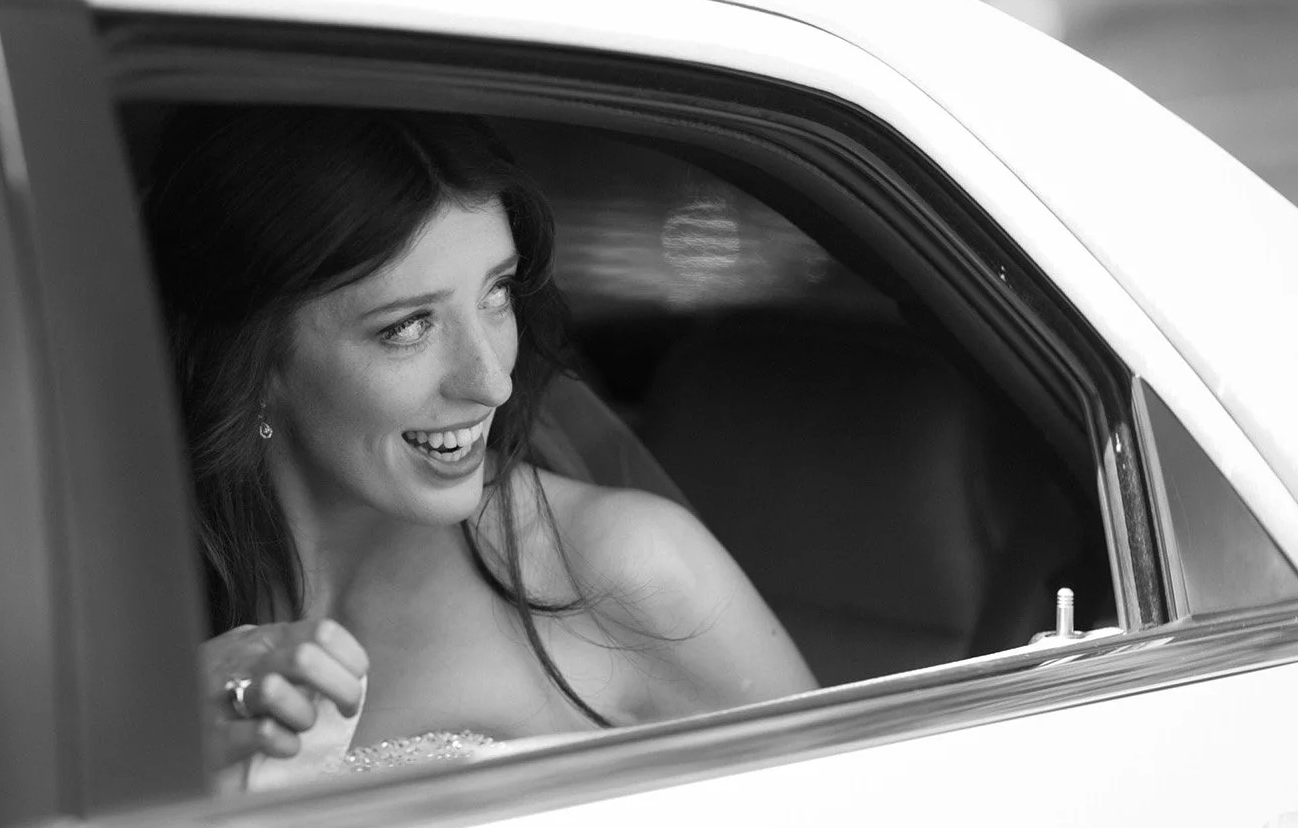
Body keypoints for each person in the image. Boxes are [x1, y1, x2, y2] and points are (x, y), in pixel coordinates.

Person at [139, 105, 815, 790]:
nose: (492, 381)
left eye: (497, 292)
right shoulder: (121, 591)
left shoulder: (621, 565)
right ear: (253, 363)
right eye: (407, 327)